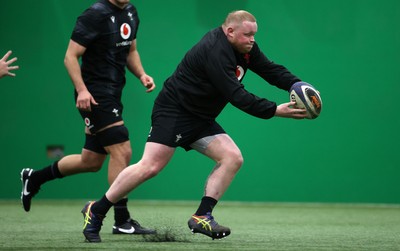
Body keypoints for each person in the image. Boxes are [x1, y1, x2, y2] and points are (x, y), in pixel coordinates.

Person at [80, 10, 309, 242]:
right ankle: (97, 210)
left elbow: (269, 69)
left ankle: (202, 216)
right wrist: (274, 110)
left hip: (200, 117)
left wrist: (295, 84)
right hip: (174, 112)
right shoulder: (215, 51)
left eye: (254, 35)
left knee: (232, 157)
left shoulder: (246, 48)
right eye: (247, 35)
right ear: (229, 31)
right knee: (150, 166)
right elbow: (236, 95)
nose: (252, 39)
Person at [20, 0, 156, 236]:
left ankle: (34, 178)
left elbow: (130, 50)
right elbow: (70, 57)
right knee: (122, 150)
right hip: (94, 93)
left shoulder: (132, 12)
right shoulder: (94, 14)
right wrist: (82, 90)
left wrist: (142, 74)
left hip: (114, 92)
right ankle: (121, 219)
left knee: (91, 161)